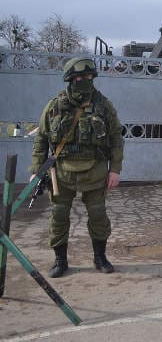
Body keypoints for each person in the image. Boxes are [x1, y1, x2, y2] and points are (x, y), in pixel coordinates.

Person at [30, 57, 124, 277]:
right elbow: (41, 139)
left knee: (98, 215)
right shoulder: (55, 106)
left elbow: (116, 137)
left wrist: (115, 169)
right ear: (70, 79)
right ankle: (60, 260)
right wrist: (36, 169)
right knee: (59, 216)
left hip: (96, 171)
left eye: (89, 77)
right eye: (80, 77)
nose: (85, 80)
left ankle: (100, 257)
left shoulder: (103, 105)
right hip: (61, 174)